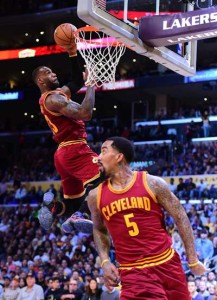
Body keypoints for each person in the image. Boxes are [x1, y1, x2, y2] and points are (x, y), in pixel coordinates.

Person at [87, 136, 209, 299]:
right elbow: (99, 228)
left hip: (168, 265)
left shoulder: (152, 183)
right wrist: (105, 261)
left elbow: (180, 217)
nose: (98, 158)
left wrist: (192, 259)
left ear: (119, 156)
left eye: (103, 151)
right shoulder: (95, 196)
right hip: (133, 272)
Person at [32, 36, 105, 234]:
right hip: (74, 149)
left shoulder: (55, 96)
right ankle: (81, 216)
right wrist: (92, 83)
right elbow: (85, 113)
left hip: (62, 154)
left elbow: (75, 81)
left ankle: (53, 208)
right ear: (40, 80)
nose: (53, 73)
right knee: (105, 176)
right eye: (48, 73)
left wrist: (73, 52)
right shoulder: (54, 99)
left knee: (75, 200)